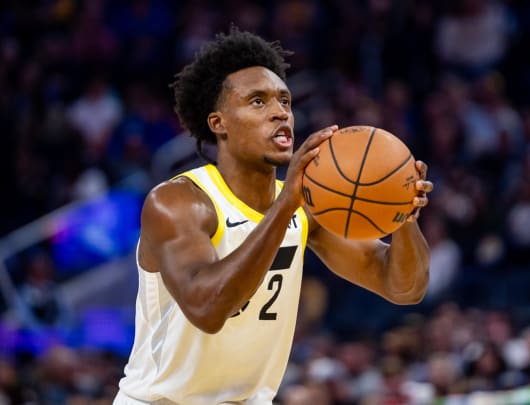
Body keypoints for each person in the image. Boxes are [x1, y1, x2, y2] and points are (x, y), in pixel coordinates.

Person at [113, 28, 433, 405]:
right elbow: (207, 308)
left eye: (284, 100)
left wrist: (401, 216)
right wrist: (285, 207)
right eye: (258, 102)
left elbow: (403, 287)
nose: (280, 112)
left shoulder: (303, 207)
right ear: (219, 124)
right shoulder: (179, 202)